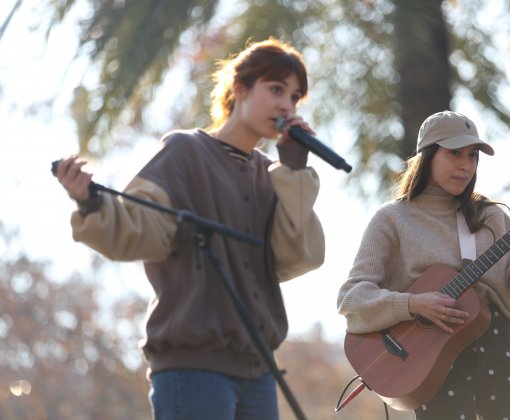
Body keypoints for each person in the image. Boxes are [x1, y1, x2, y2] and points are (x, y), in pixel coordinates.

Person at [55, 37, 325, 420]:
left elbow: (295, 256)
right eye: (276, 89)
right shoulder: (185, 151)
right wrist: (90, 203)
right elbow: (140, 229)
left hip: (259, 371)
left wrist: (295, 171)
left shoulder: (273, 175)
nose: (287, 105)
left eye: (295, 97)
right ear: (240, 88)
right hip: (194, 369)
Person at [337, 110, 510, 419]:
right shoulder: (391, 219)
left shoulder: (491, 216)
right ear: (428, 155)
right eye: (454, 153)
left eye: (472, 155)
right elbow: (351, 299)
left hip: (497, 349)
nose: (465, 165)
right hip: (430, 359)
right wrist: (412, 304)